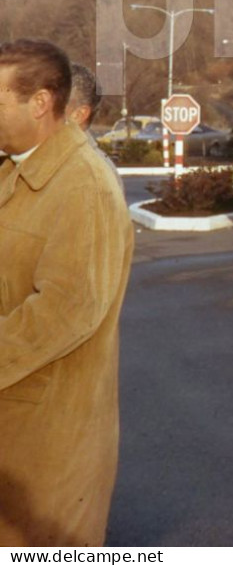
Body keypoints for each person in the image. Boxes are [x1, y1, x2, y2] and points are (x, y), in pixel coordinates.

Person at [0, 39, 133, 547]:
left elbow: (65, 311)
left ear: (39, 103)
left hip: (45, 451)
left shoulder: (84, 186)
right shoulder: (15, 167)